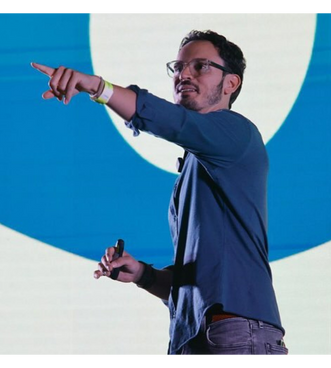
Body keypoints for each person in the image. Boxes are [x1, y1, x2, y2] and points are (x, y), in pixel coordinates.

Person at [31, 29, 287, 358]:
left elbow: (174, 122)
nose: (184, 75)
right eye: (179, 67)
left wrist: (98, 87)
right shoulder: (196, 163)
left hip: (233, 335)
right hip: (196, 340)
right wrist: (143, 274)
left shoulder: (237, 135)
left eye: (201, 66)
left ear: (231, 83)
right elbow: (200, 287)